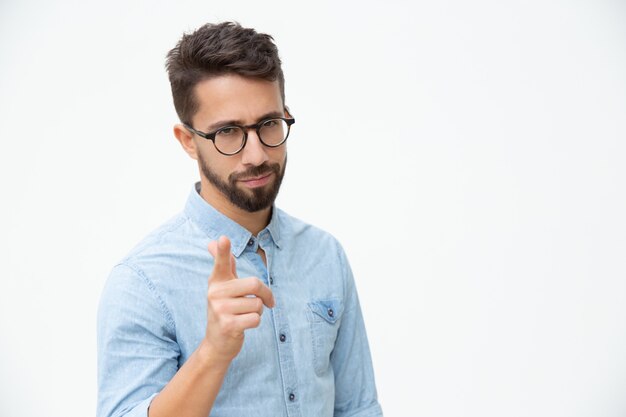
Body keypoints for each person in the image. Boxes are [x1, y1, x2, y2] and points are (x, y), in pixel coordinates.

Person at [97, 22, 383, 417]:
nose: (256, 155)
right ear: (187, 141)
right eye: (228, 132)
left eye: (268, 124)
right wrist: (213, 352)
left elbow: (358, 408)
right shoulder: (143, 281)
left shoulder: (325, 254)